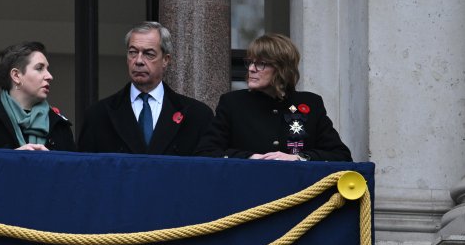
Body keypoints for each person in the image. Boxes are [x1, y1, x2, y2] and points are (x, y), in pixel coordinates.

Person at [196, 33, 352, 161]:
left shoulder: (310, 103)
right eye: (250, 62)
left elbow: (340, 156)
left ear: (282, 69)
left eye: (261, 64)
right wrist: (251, 157)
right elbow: (206, 152)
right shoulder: (233, 103)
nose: (251, 69)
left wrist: (298, 158)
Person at [77, 21, 213, 155]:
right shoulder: (98, 116)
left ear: (165, 60)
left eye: (149, 54)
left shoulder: (197, 116)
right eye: (133, 52)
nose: (139, 61)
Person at [0, 41, 75, 151]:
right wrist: (13, 159)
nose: (49, 76)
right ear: (16, 76)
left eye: (47, 69)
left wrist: (49, 162)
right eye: (39, 68)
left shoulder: (60, 126)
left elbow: (73, 168)